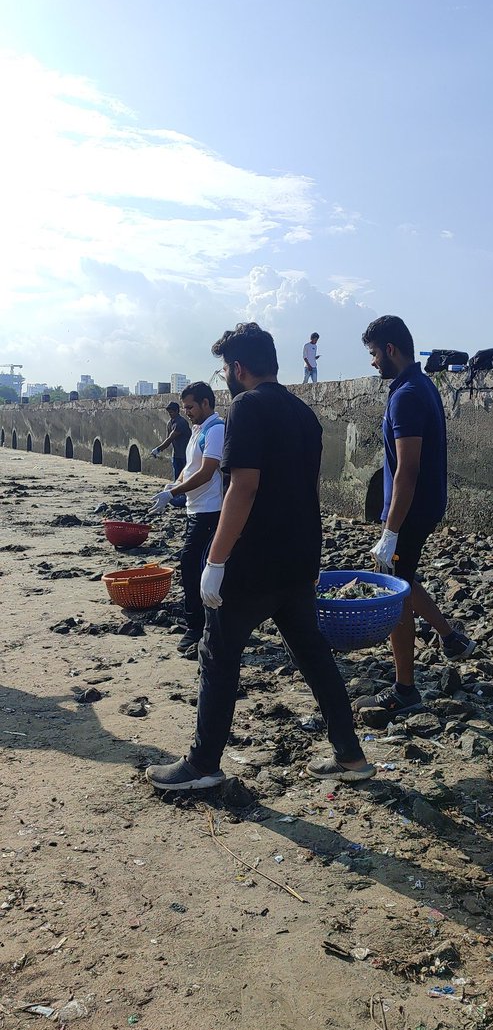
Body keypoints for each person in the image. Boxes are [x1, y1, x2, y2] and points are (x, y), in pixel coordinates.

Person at [146, 322, 374, 793]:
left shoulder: (247, 407)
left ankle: (203, 763)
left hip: (252, 564)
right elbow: (309, 491)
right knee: (313, 654)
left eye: (225, 368)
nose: (225, 375)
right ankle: (350, 754)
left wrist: (215, 559)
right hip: (297, 559)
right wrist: (311, 556)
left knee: (218, 654)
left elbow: (243, 488)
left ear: (238, 368)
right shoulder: (303, 413)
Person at [355, 315, 475, 720]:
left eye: (373, 354)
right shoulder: (421, 385)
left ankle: (405, 689)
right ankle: (449, 636)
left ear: (390, 350)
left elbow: (407, 468)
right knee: (405, 577)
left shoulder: (406, 394)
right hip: (423, 506)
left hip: (410, 510)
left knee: (395, 591)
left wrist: (390, 529)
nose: (372, 363)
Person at [149, 383, 225, 653]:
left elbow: (206, 472)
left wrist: (174, 494)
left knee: (191, 564)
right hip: (195, 509)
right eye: (185, 408)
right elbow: (189, 469)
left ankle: (197, 626)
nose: (187, 412)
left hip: (210, 510)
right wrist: (172, 487)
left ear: (206, 403)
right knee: (197, 564)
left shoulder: (216, 430)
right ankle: (206, 622)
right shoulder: (198, 431)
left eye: (191, 407)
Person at [151, 401, 191, 481]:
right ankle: (178, 492)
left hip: (186, 454)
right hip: (176, 454)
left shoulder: (181, 422)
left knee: (186, 476)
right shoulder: (170, 423)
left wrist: (157, 450)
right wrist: (160, 449)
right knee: (177, 477)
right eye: (169, 413)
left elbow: (170, 438)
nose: (170, 415)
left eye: (172, 413)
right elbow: (167, 439)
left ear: (177, 411)